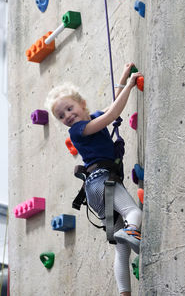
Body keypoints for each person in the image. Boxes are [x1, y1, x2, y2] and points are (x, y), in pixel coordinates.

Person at [45, 63, 143, 296]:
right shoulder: (78, 130)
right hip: (102, 183)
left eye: (69, 109)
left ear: (82, 105)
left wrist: (123, 76)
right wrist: (131, 84)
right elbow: (113, 114)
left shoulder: (94, 118)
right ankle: (131, 231)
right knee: (134, 214)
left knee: (121, 250)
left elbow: (111, 106)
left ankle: (124, 293)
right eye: (61, 116)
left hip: (97, 189)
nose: (67, 116)